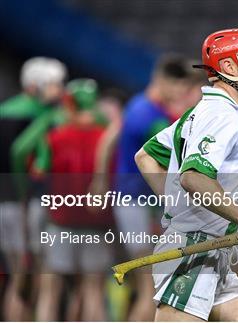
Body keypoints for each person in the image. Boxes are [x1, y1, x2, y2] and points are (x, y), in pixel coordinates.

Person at [134, 28, 238, 321]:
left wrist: (177, 207)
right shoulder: (221, 114)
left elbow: (147, 156)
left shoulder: (204, 110)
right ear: (228, 67)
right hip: (193, 252)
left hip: (211, 252)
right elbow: (193, 178)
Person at [110, 53, 206, 321]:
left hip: (133, 201)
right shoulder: (150, 116)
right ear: (163, 80)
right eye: (179, 86)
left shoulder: (138, 105)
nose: (180, 92)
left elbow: (109, 139)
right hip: (134, 203)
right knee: (149, 287)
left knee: (148, 286)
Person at [34, 79, 114, 321]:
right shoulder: (107, 138)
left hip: (60, 222)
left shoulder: (55, 137)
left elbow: (38, 173)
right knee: (93, 292)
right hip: (97, 223)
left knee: (50, 292)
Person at [0, 56, 66, 321]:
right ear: (35, 85)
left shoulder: (5, 110)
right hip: (25, 204)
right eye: (54, 84)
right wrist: (23, 194)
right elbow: (23, 156)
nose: (59, 91)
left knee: (18, 275)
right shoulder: (41, 116)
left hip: (5, 203)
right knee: (34, 277)